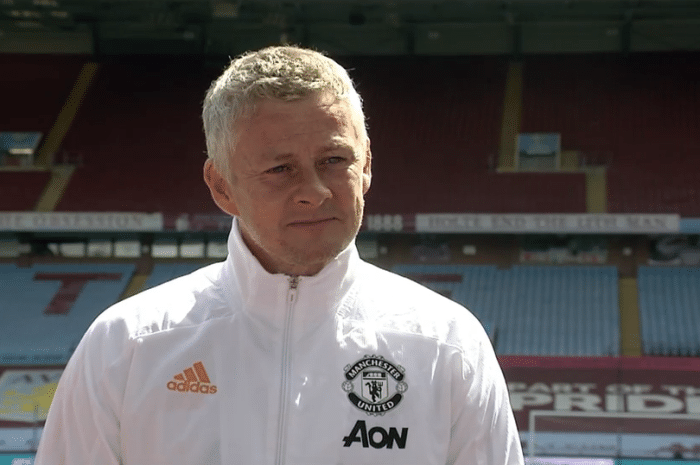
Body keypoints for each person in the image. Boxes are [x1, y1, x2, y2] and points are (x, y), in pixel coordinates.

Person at [35, 45, 524, 464]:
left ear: (367, 166)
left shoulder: (447, 345)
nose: (314, 191)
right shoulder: (127, 346)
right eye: (280, 169)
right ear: (221, 186)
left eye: (334, 160)